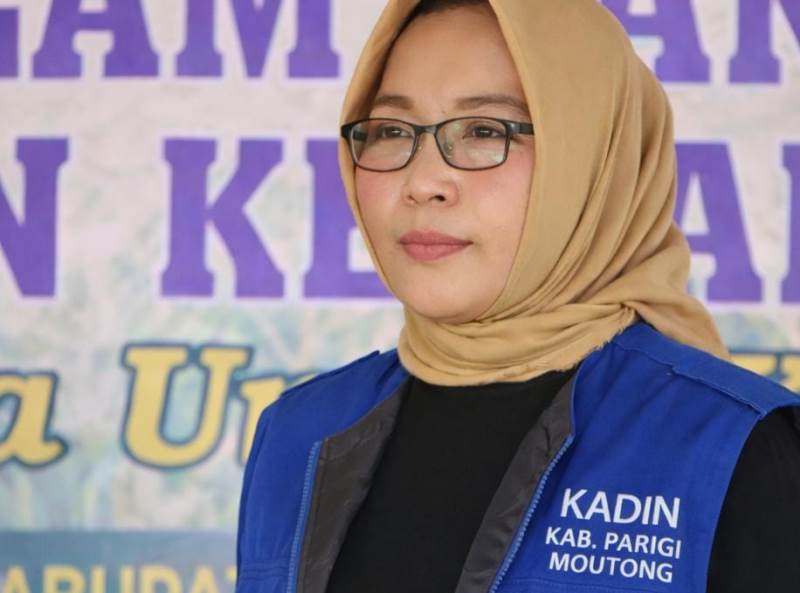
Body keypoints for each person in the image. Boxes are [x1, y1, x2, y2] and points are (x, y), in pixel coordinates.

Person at [234, 1, 800, 592]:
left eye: (485, 131)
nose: (422, 182)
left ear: (594, 158)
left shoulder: (734, 448)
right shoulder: (299, 435)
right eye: (392, 132)